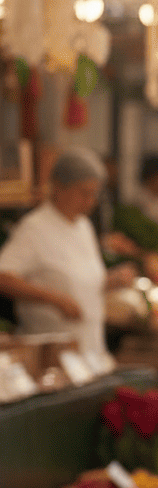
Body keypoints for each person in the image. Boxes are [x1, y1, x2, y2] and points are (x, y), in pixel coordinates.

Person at [0, 148, 130, 367]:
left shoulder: (83, 226)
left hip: (90, 346)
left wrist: (110, 281)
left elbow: (79, 279)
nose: (90, 201)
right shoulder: (35, 228)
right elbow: (4, 276)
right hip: (52, 356)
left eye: (94, 194)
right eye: (84, 193)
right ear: (59, 188)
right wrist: (54, 299)